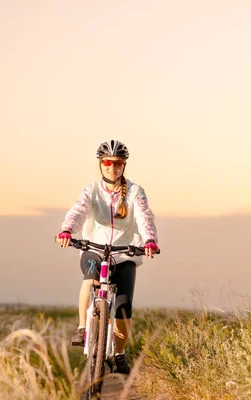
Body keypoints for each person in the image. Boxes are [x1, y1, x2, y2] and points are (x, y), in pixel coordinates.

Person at [55, 139, 159, 375]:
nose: (113, 167)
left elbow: (144, 217)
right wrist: (67, 230)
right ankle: (83, 328)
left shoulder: (134, 192)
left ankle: (119, 354)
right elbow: (78, 210)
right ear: (100, 165)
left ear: (124, 165)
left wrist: (150, 240)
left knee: (123, 306)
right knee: (90, 277)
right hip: (94, 247)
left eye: (118, 163)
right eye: (107, 162)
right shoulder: (91, 191)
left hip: (125, 254)